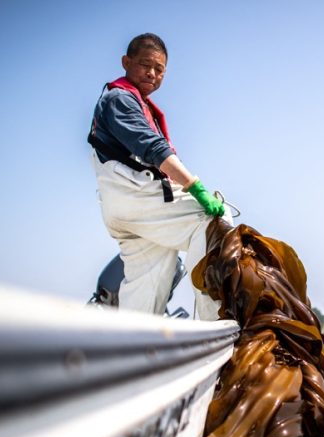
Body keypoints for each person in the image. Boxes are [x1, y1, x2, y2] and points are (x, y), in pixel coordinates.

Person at [88, 33, 230, 319]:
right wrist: (196, 188)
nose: (152, 74)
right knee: (212, 220)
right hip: (137, 198)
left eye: (160, 69)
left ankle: (130, 349)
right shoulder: (120, 99)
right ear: (126, 63)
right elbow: (153, 148)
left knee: (147, 283)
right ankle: (212, 322)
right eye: (145, 65)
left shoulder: (135, 103)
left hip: (127, 209)